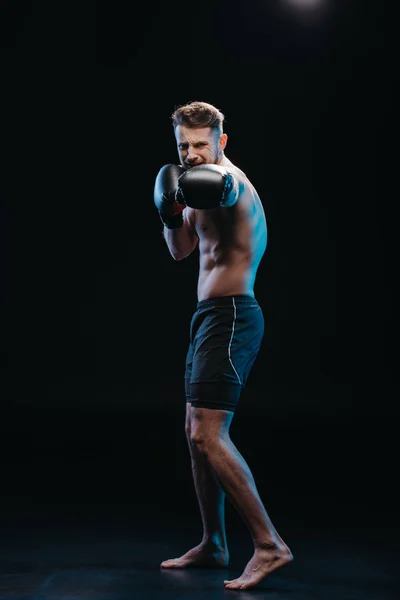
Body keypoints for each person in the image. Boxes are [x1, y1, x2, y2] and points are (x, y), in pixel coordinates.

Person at [153, 101, 293, 591]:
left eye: (200, 145)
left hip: (234, 315)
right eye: (183, 146)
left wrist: (204, 184)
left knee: (209, 435)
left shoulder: (230, 180)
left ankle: (270, 545)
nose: (192, 154)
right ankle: (214, 544)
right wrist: (171, 212)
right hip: (208, 317)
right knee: (195, 433)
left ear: (221, 142)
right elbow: (181, 252)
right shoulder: (190, 186)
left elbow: (226, 191)